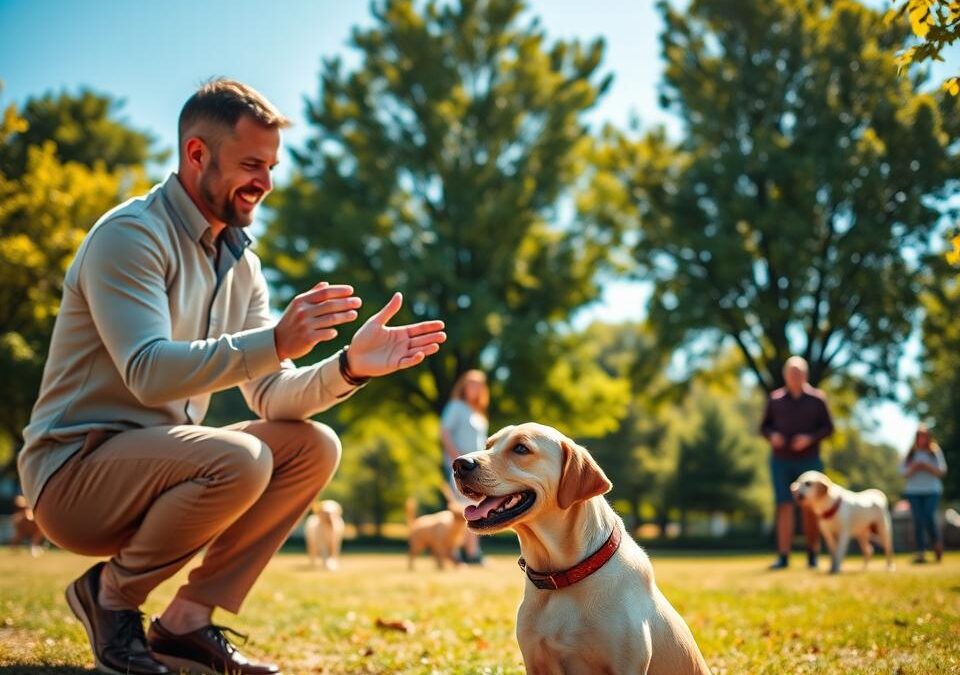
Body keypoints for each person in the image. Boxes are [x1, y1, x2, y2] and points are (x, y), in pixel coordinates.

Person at [18, 79, 446, 675]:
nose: (265, 183)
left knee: (312, 446)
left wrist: (349, 367)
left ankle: (185, 623)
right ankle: (109, 598)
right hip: (73, 476)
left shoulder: (243, 263)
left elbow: (270, 393)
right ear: (196, 155)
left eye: (271, 166)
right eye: (251, 164)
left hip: (161, 470)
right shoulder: (129, 236)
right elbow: (145, 372)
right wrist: (273, 342)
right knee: (241, 458)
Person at [760, 356, 835, 570]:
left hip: (809, 461)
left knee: (810, 507)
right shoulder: (775, 400)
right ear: (785, 375)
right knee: (784, 505)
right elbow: (764, 427)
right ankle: (783, 556)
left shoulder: (817, 399)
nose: (795, 376)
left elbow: (828, 428)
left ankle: (813, 554)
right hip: (781, 460)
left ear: (805, 375)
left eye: (799, 372)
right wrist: (772, 436)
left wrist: (809, 439)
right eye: (791, 372)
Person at [440, 369, 489, 564]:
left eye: (479, 384)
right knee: (464, 508)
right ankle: (464, 553)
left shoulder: (477, 412)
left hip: (476, 468)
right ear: (464, 386)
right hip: (461, 468)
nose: (475, 388)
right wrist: (457, 459)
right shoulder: (456, 407)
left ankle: (469, 552)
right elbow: (444, 432)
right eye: (471, 383)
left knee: (474, 507)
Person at [900, 425, 948, 564]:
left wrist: (927, 467)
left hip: (932, 490)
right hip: (914, 491)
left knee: (928, 517)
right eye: (920, 436)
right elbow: (903, 472)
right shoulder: (911, 453)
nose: (922, 439)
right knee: (918, 520)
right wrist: (914, 467)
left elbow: (942, 471)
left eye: (924, 436)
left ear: (928, 438)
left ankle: (936, 544)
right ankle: (920, 552)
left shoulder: (934, 452)